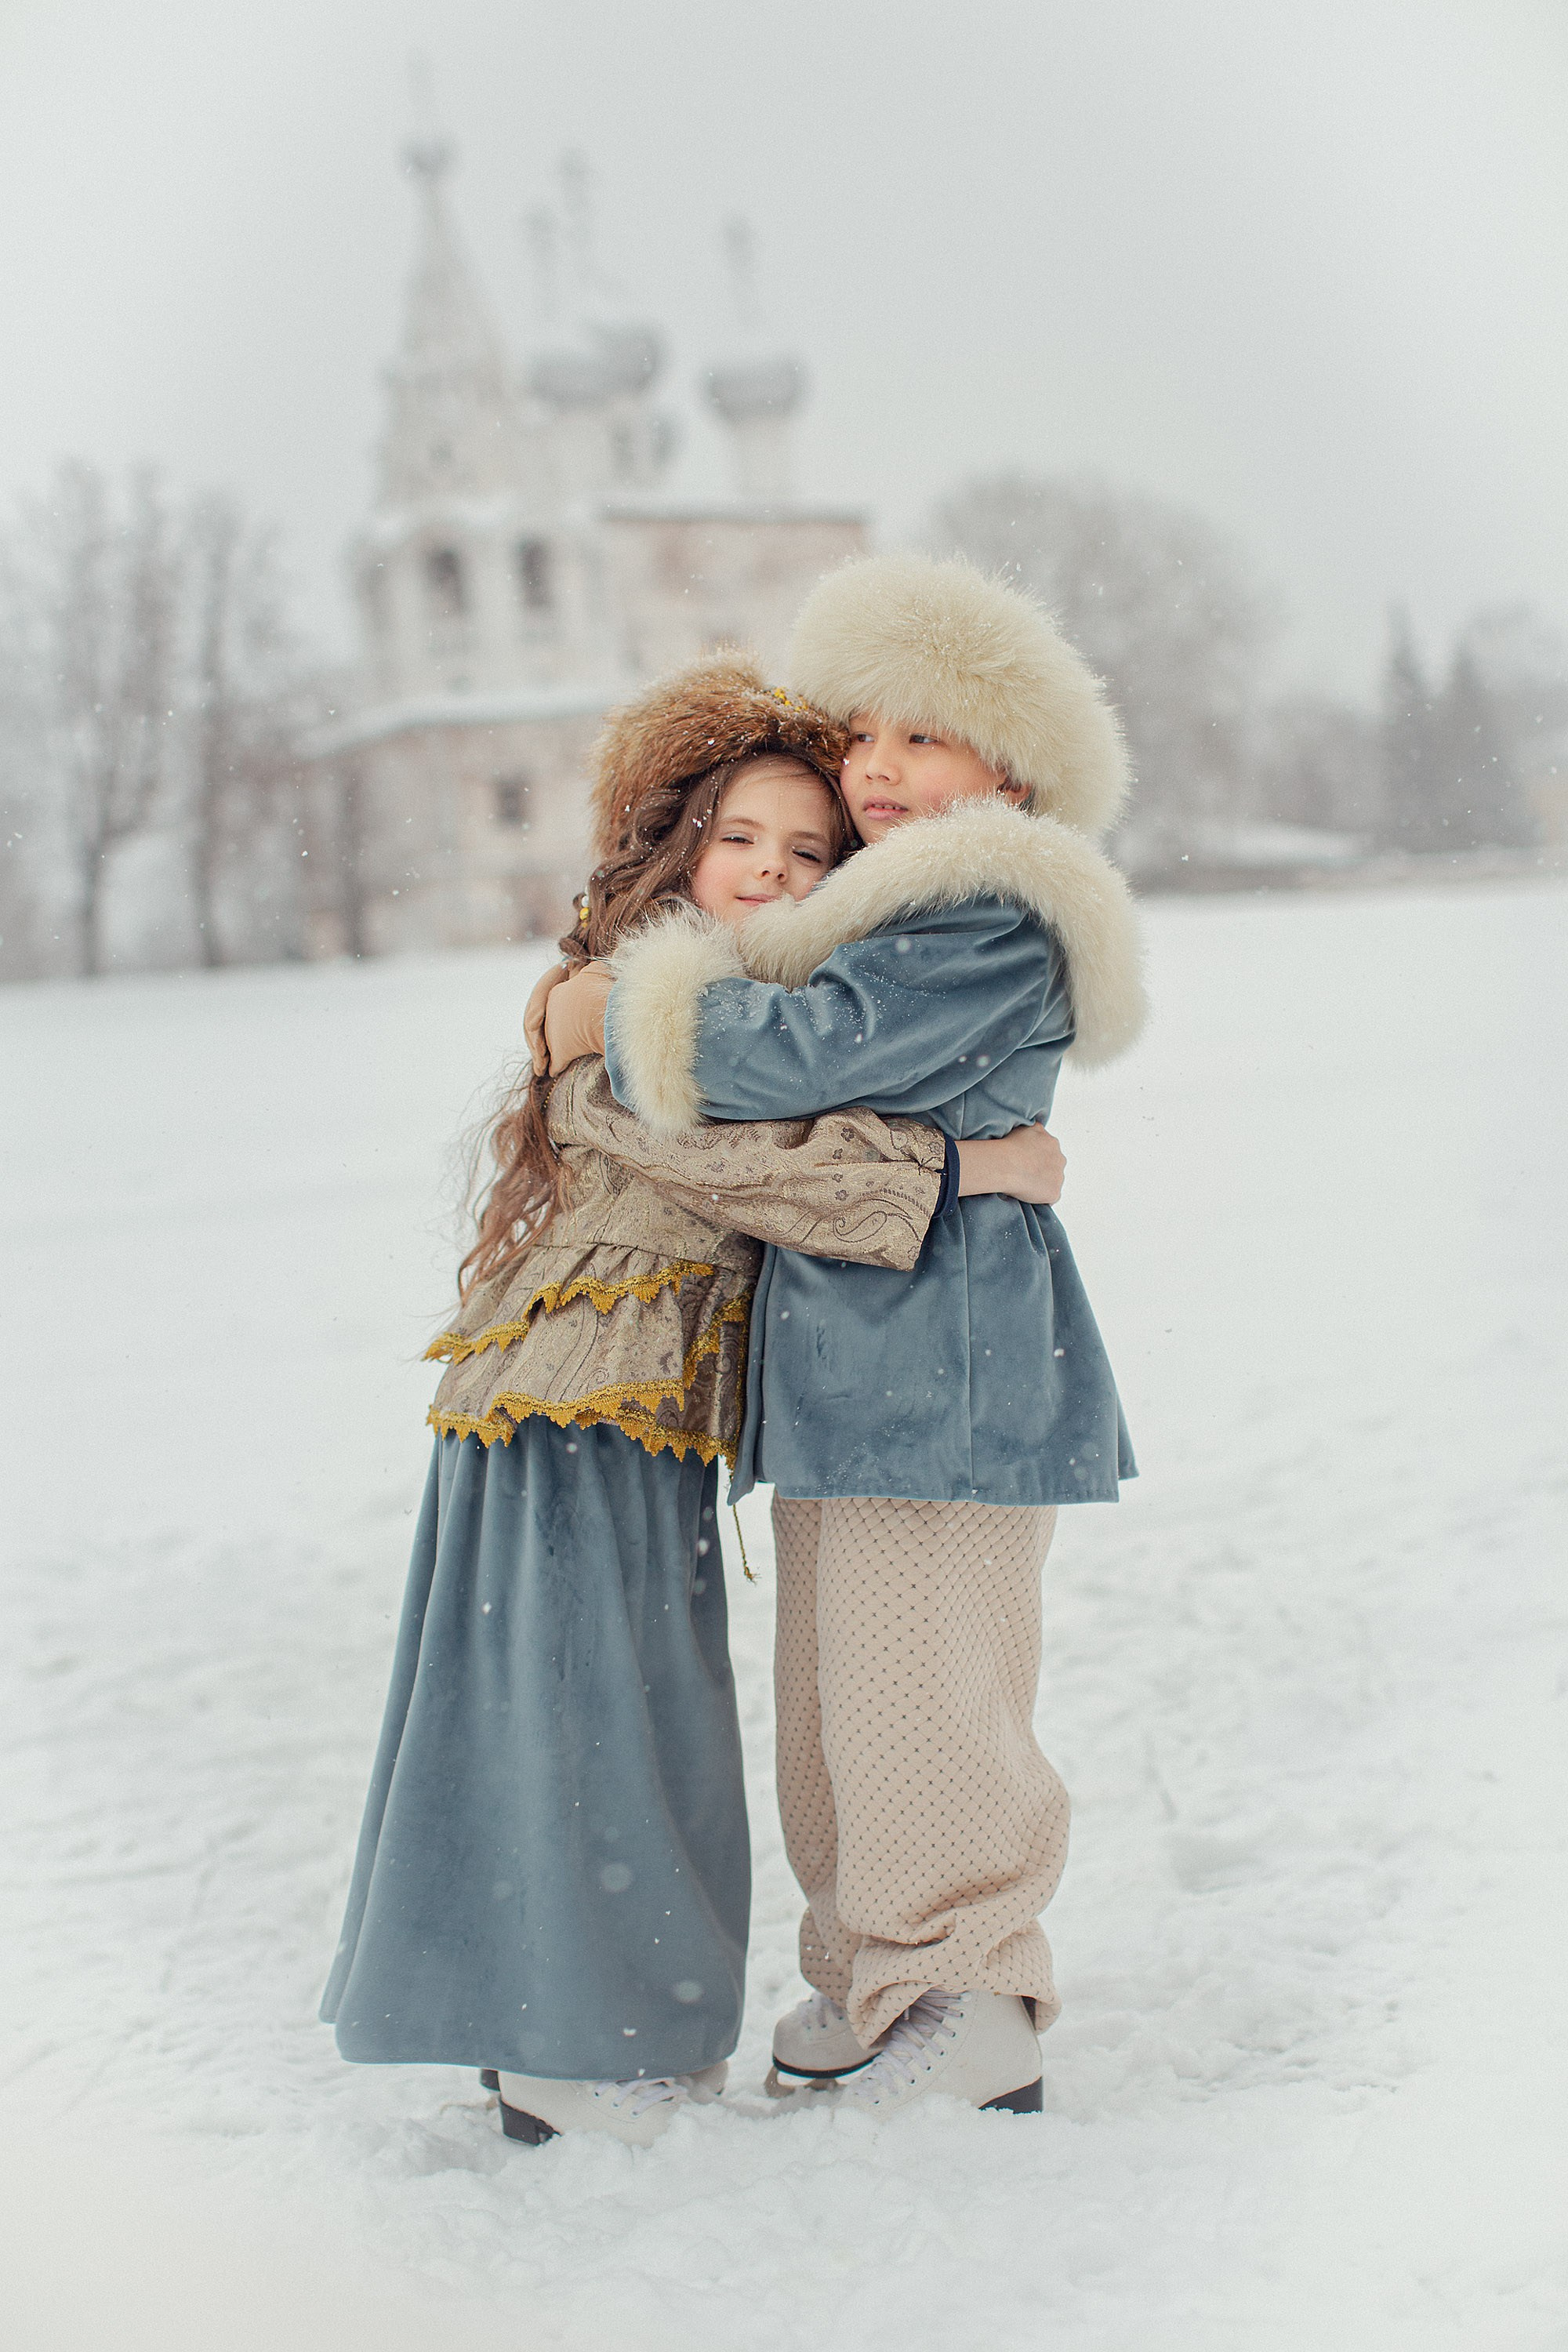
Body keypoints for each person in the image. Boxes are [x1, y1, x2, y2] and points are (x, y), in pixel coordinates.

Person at [320, 654, 1068, 2148]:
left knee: (620, 1705)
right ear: (678, 846)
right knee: (588, 1703)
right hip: (572, 1400)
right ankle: (576, 2048)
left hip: (640, 1410)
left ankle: (586, 2031)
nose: (774, 870)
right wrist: (971, 1169)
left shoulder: (711, 997)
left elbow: (796, 1105)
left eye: (809, 853)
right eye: (741, 838)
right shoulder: (641, 1004)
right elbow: (752, 1168)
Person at [537, 557, 1146, 2119]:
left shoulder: (991, 903)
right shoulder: (886, 907)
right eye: (862, 732)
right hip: (860, 1364)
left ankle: (967, 1991)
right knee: (842, 1700)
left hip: (946, 1364)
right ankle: (877, 1975)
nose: (876, 765)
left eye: (922, 737)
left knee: (927, 1692)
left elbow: (812, 1057)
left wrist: (634, 1011)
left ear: (1009, 769)